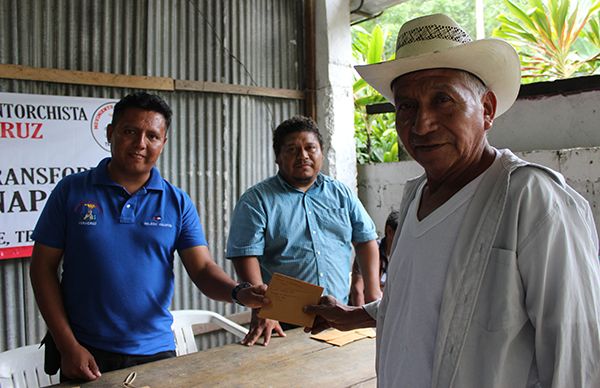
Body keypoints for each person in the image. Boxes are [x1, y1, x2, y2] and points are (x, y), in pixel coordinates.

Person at [304, 13, 600, 387]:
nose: (422, 124)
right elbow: (428, 301)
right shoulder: (415, 196)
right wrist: (357, 315)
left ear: (487, 109)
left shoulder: (533, 199)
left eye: (443, 100)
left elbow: (578, 359)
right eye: (406, 106)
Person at [30, 92, 269, 382]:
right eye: (130, 131)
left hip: (154, 352)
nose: (140, 144)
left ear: (163, 143)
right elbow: (42, 268)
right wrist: (68, 346)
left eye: (152, 136)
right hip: (84, 350)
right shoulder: (72, 191)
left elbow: (203, 270)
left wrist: (239, 292)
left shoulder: (176, 202)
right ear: (110, 133)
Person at [226, 115, 382, 346]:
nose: (303, 156)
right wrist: (264, 309)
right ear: (278, 157)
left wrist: (373, 292)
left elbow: (365, 240)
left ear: (321, 152)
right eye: (292, 149)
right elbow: (245, 254)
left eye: (311, 148)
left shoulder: (341, 193)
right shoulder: (257, 200)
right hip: (281, 321)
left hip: (337, 315)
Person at [349, 210, 399, 306]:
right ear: (389, 231)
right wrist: (362, 318)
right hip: (368, 308)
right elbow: (357, 289)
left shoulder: (403, 254)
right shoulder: (370, 251)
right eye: (399, 234)